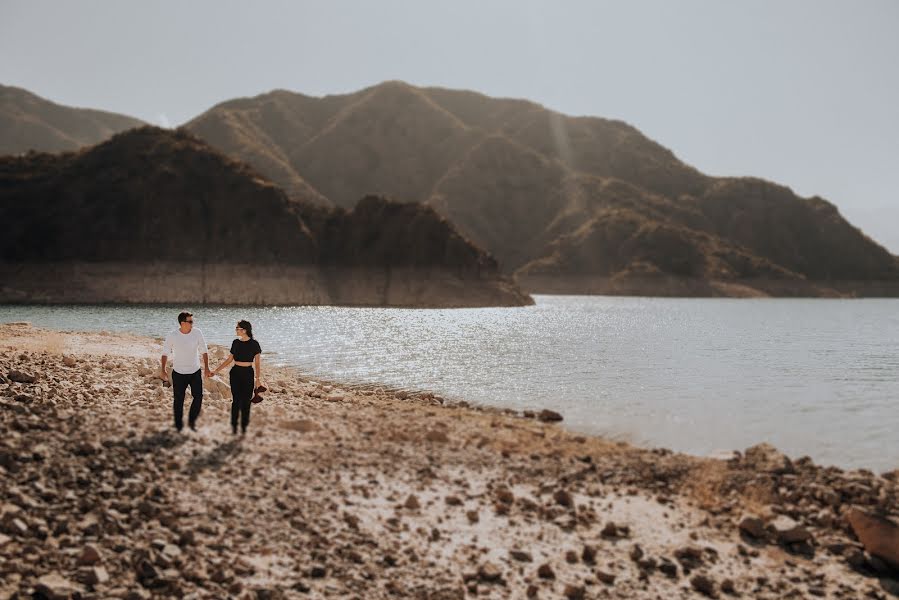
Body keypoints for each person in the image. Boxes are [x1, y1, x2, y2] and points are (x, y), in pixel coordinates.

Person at [160, 311, 211, 432]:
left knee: (198, 397)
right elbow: (165, 353)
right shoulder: (173, 335)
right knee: (178, 400)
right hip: (178, 373)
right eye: (190, 321)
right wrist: (163, 369)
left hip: (195, 371)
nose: (193, 323)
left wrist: (207, 367)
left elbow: (204, 350)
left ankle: (192, 422)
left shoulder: (197, 332)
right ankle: (178, 425)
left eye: (193, 321)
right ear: (182, 323)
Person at [211, 319, 262, 435]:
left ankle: (244, 427)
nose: (236, 330)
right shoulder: (236, 342)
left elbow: (258, 363)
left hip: (248, 373)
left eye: (237, 328)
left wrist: (258, 379)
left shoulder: (255, 344)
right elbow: (229, 360)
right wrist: (216, 371)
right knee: (236, 401)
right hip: (235, 373)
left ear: (244, 330)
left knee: (246, 401)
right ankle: (234, 427)